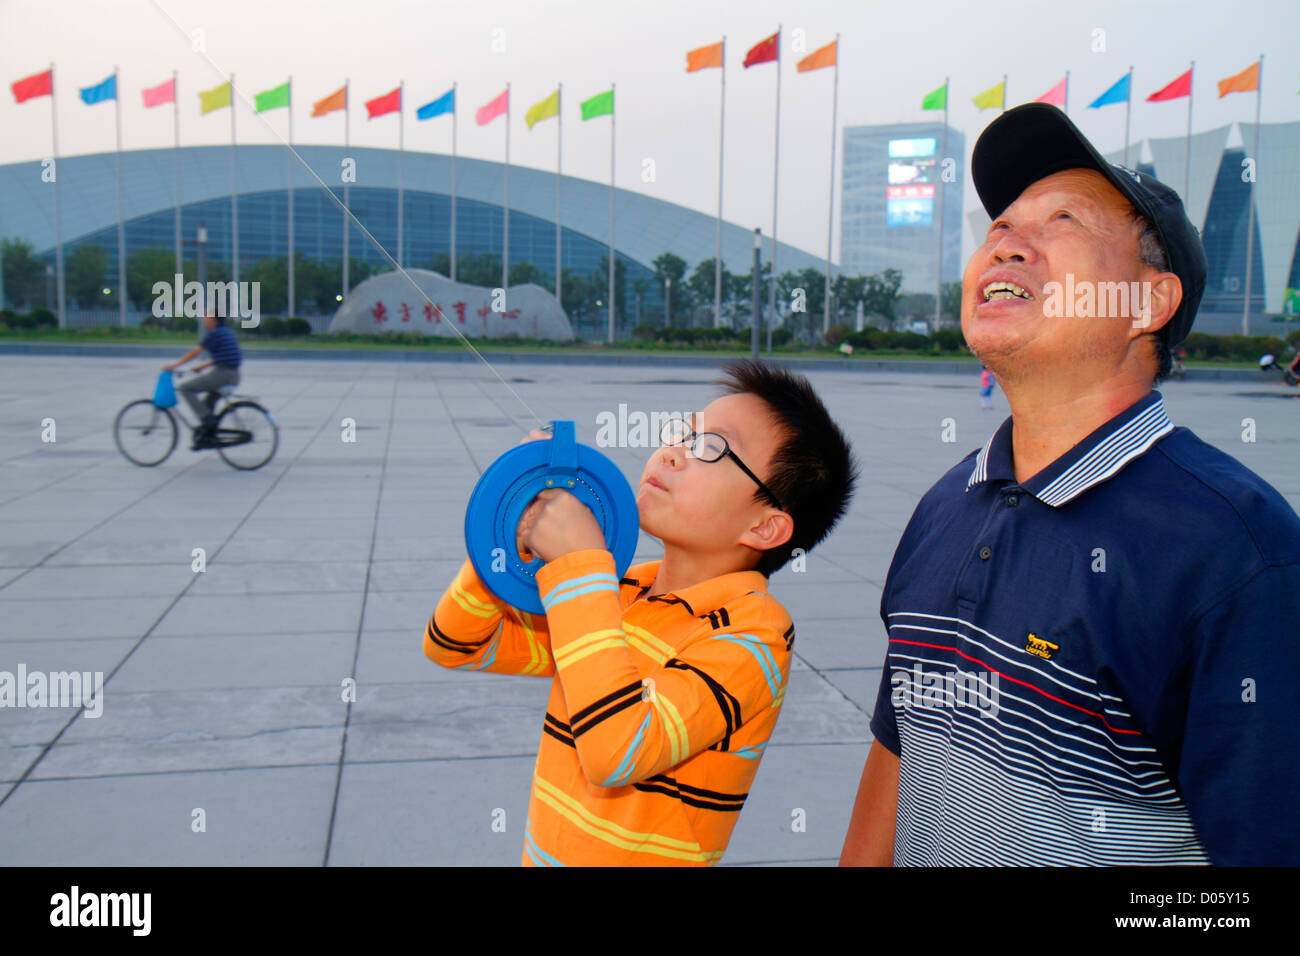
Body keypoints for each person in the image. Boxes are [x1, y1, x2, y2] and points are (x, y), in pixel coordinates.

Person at [840, 103, 1300, 866]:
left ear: (1148, 303)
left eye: (1062, 220)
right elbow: (900, 750)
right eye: (998, 228)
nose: (1007, 244)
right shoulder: (946, 505)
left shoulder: (1236, 553)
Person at [424, 361, 858, 865]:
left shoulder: (753, 637)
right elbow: (455, 643)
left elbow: (618, 748)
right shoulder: (620, 588)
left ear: (765, 527)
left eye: (710, 447)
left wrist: (577, 568)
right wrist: (510, 531)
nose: (672, 453)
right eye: (682, 432)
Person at [163, 309, 242, 450]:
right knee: (207, 403)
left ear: (213, 319)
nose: (204, 319)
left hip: (223, 374)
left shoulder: (215, 333)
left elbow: (195, 352)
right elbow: (224, 356)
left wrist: (174, 365)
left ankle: (208, 420)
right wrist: (202, 366)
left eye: (206, 316)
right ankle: (207, 435)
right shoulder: (226, 332)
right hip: (232, 375)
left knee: (185, 388)